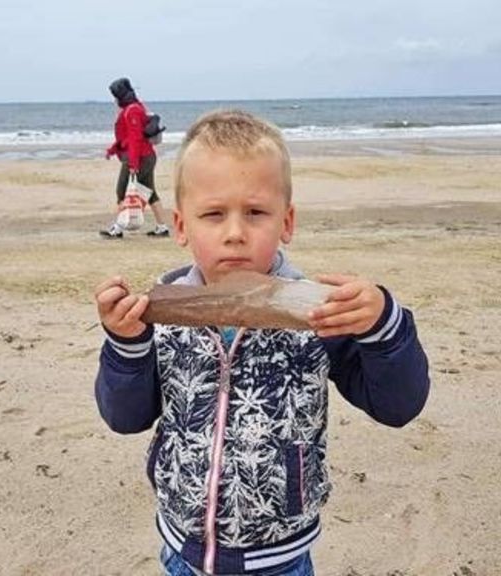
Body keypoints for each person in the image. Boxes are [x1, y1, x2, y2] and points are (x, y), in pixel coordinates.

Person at [94, 110, 430, 575]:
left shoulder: (316, 314)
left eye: (255, 212)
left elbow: (399, 405)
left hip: (280, 558)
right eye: (213, 214)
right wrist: (126, 345)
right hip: (181, 550)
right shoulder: (163, 315)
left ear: (286, 222)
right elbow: (125, 417)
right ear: (181, 226)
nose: (235, 233)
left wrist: (382, 326)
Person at [101, 77, 170, 238]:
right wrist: (112, 150)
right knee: (150, 192)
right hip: (146, 156)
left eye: (115, 95)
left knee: (122, 190)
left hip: (140, 158)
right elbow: (126, 138)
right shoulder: (136, 108)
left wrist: (133, 163)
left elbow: (135, 139)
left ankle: (117, 229)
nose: (114, 99)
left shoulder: (132, 111)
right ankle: (162, 227)